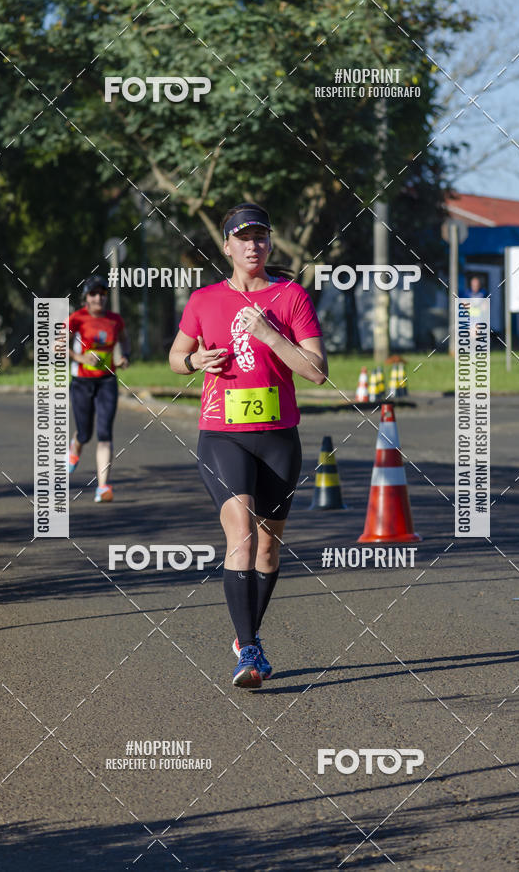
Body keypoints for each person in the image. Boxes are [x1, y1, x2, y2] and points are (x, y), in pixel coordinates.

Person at [169, 202, 327, 688]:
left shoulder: (290, 297)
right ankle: (250, 654)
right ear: (227, 247)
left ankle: (246, 635)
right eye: (243, 238)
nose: (252, 245)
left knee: (267, 551)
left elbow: (317, 372)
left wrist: (271, 336)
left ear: (270, 243)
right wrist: (196, 360)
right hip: (222, 435)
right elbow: (175, 357)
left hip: (279, 438)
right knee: (240, 532)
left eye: (260, 237)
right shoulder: (204, 300)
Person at [66, 275, 130, 502]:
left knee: (104, 433)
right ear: (85, 298)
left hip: (107, 381)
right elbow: (58, 344)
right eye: (93, 294)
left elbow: (124, 339)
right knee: (85, 432)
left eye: (102, 294)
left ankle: (103, 487)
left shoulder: (114, 319)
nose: (98, 298)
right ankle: (75, 447)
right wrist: (80, 356)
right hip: (82, 382)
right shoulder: (77, 318)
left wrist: (124, 357)